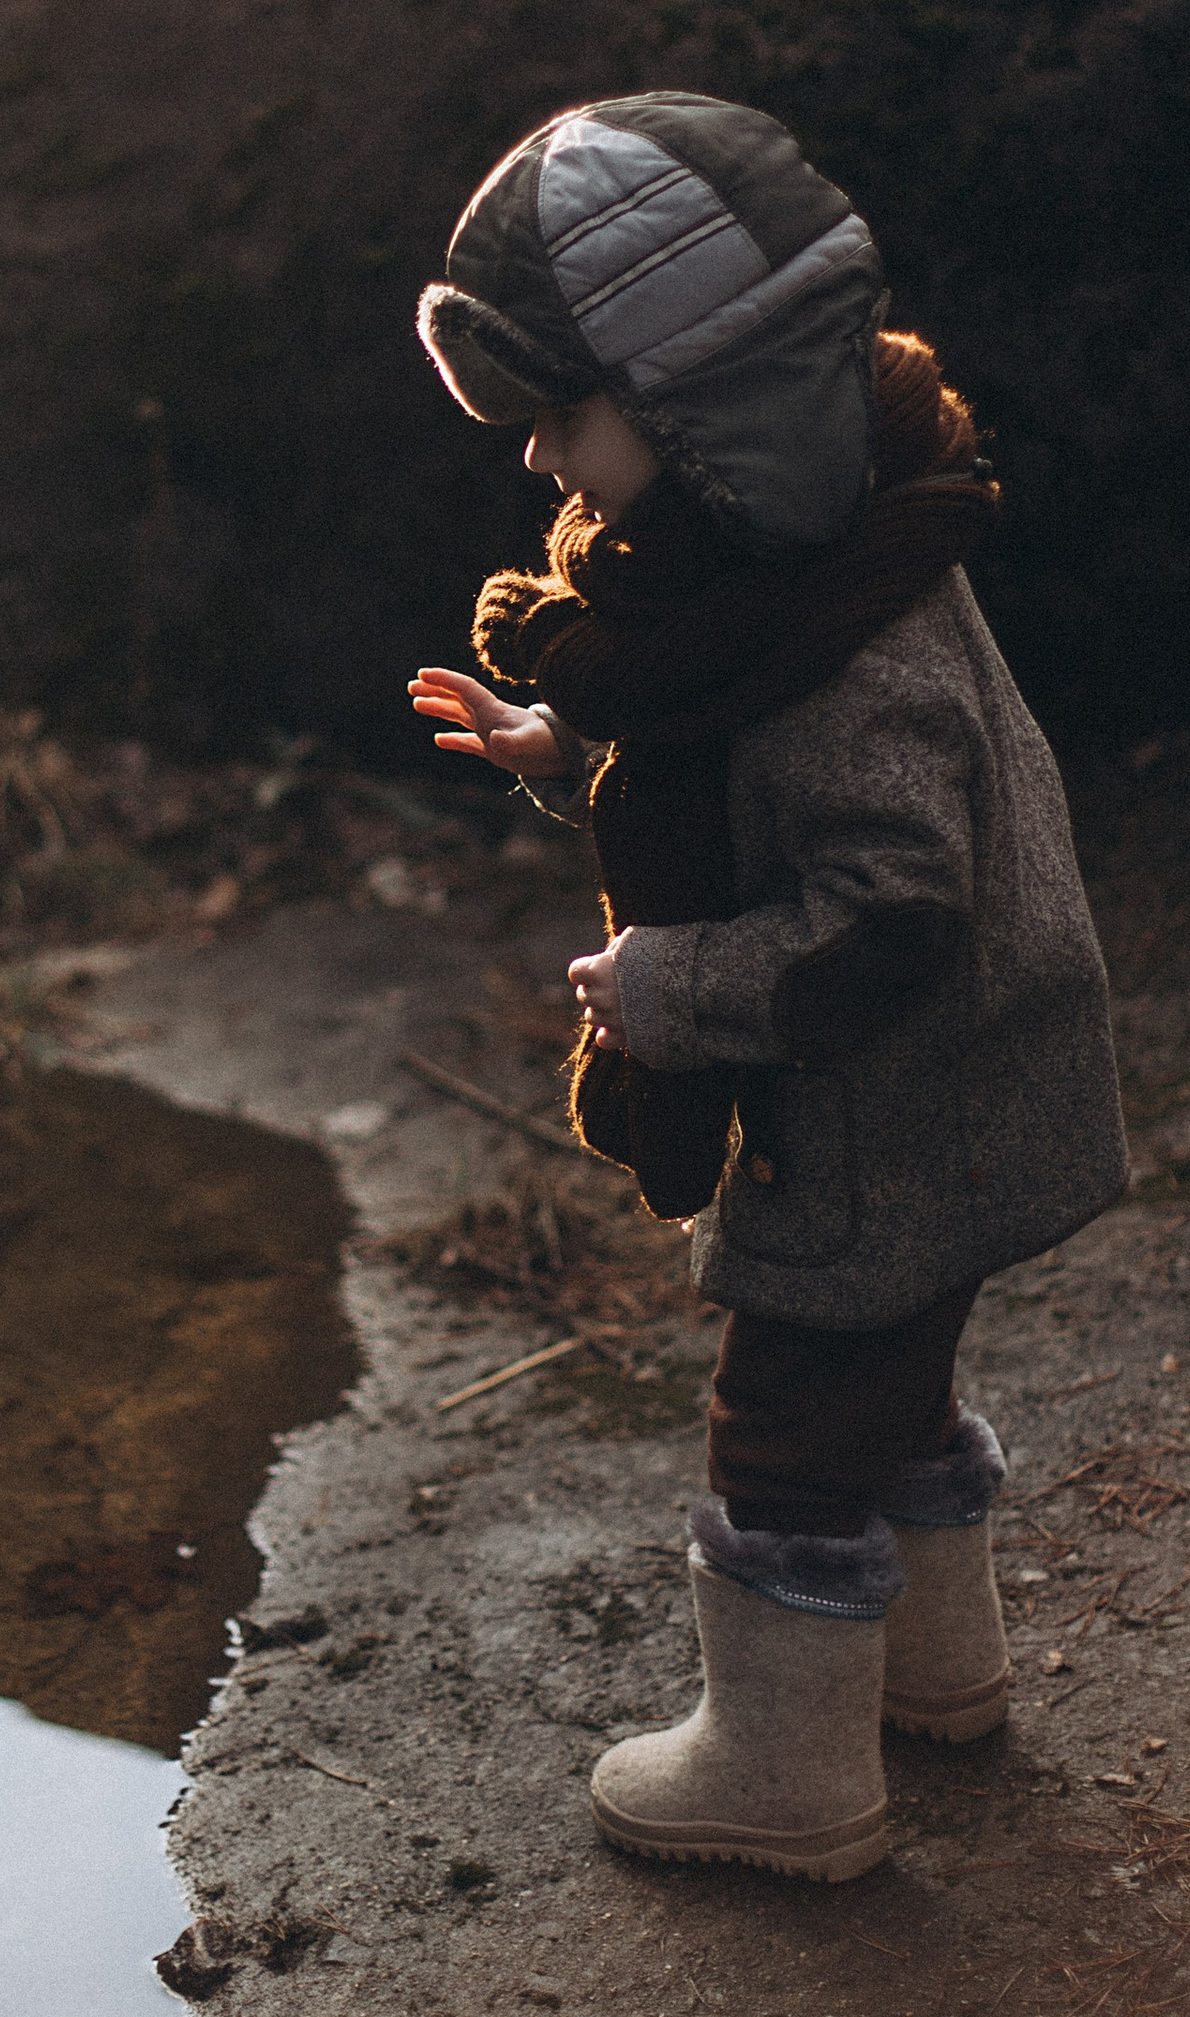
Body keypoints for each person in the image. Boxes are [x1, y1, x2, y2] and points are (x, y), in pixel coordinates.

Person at [409, 93, 1126, 1883]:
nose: (539, 465)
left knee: (787, 1427)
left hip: (899, 1112)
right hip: (964, 1104)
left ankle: (787, 1773)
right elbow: (713, 744)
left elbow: (888, 912)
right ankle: (936, 1676)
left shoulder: (847, 648)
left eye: (563, 418)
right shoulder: (806, 572)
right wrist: (557, 741)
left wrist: (675, 988)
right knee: (893, 1381)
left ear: (695, 413)